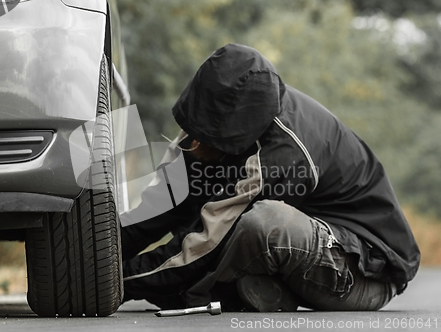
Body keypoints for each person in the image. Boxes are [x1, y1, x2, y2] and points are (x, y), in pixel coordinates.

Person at [120, 44, 420, 311]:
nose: (192, 143)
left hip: (363, 275)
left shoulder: (283, 154)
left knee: (265, 221)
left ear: (233, 133)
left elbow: (204, 243)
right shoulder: (210, 122)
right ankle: (248, 291)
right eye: (192, 129)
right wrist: (94, 255)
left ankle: (220, 292)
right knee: (197, 251)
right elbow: (160, 207)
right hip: (302, 259)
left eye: (204, 137)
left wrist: (116, 283)